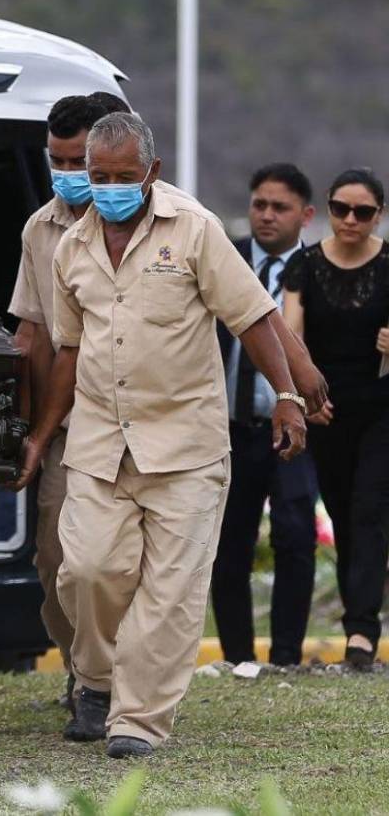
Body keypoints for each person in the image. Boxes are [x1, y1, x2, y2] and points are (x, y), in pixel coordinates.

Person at [14, 112, 311, 759]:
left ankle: (137, 720)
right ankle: (93, 678)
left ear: (152, 173)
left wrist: (287, 394)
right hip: (99, 441)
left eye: (124, 176)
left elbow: (252, 316)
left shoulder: (194, 229)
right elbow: (67, 350)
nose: (110, 187)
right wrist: (41, 435)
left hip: (186, 445)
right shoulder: (69, 248)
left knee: (171, 590)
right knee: (88, 571)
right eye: (99, 176)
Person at [9, 94, 114, 709]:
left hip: (136, 425)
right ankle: (83, 666)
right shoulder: (40, 229)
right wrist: (25, 432)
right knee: (58, 560)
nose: (67, 173)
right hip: (69, 427)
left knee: (110, 565)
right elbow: (31, 335)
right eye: (57, 159)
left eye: (80, 161)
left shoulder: (166, 225)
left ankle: (104, 683)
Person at [212, 163, 319, 668]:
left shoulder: (319, 272)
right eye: (259, 205)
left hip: (294, 428)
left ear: (305, 214)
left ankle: (286, 657)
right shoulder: (222, 262)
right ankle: (237, 658)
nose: (267, 216)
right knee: (229, 542)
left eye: (280, 207)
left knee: (295, 536)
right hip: (229, 429)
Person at [283, 167, 389, 671]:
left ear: (379, 216)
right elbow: (288, 335)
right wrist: (305, 397)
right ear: (327, 209)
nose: (351, 220)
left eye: (363, 212)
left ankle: (363, 635)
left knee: (370, 510)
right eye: (341, 209)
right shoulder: (303, 267)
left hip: (382, 409)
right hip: (325, 408)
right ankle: (357, 621)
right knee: (345, 516)